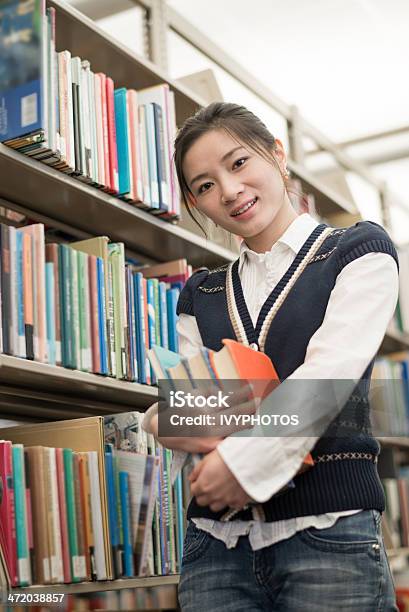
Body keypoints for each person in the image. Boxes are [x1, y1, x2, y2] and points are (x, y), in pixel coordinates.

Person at [144, 102, 399, 611]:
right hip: (216, 548)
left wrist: (236, 455)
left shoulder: (358, 251)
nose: (230, 191)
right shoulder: (200, 293)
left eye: (238, 163)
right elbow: (169, 412)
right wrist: (168, 418)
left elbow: (327, 379)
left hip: (328, 534)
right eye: (205, 185)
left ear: (276, 155)